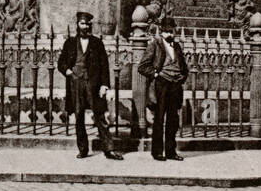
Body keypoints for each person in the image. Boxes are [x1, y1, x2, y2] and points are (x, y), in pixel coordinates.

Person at [57, 11, 123, 160]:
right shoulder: (70, 43)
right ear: (77, 25)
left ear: (90, 25)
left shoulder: (96, 43)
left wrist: (104, 85)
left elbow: (104, 65)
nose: (85, 26)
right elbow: (61, 62)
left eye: (87, 24)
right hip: (75, 83)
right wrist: (68, 71)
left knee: (100, 116)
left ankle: (109, 149)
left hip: (93, 84)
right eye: (82, 23)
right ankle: (83, 149)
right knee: (79, 116)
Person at [138, 16, 189, 161]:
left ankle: (171, 152)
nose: (169, 35)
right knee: (159, 119)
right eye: (166, 32)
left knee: (173, 120)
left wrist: (182, 77)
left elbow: (184, 66)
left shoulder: (177, 46)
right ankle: (157, 152)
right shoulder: (155, 44)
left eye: (171, 31)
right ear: (161, 32)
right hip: (161, 85)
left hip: (175, 86)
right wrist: (156, 74)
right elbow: (142, 66)